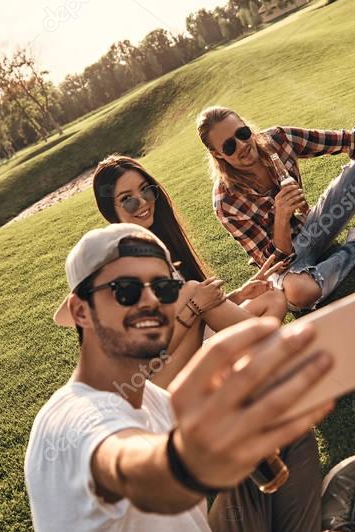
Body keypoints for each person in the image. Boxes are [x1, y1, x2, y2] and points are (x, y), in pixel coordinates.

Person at [24, 223, 355, 532]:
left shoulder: (147, 397)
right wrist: (181, 463)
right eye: (126, 290)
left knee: (284, 433)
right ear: (81, 311)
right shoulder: (71, 420)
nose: (151, 304)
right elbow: (131, 468)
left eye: (164, 289)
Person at [93, 155, 286, 387]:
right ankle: (279, 356)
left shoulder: (156, 244)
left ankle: (251, 373)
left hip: (196, 343)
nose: (142, 202)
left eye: (145, 191)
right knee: (195, 293)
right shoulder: (123, 264)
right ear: (110, 211)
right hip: (160, 375)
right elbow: (151, 355)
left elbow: (205, 313)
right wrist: (195, 307)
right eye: (128, 200)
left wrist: (240, 295)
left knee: (273, 298)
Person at [197, 107, 355, 312]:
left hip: (313, 227)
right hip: (288, 264)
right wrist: (281, 218)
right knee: (299, 292)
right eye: (229, 146)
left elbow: (353, 140)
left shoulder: (277, 140)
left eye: (243, 133)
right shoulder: (226, 202)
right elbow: (275, 264)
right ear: (217, 154)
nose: (242, 145)